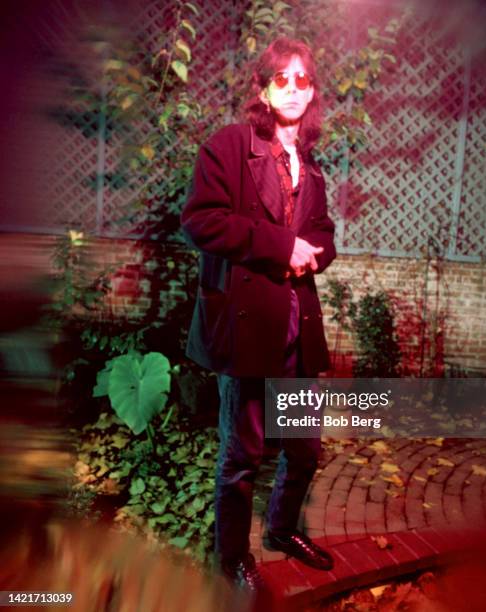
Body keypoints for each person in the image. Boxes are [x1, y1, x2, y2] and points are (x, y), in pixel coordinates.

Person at [181, 37, 336, 593]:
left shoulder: (311, 165)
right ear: (264, 88)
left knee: (304, 447)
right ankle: (230, 559)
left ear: (312, 91)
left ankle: (281, 530)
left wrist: (312, 249)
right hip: (248, 325)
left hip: (297, 324)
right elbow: (201, 220)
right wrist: (279, 247)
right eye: (281, 78)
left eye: (302, 79)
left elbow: (323, 233)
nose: (292, 89)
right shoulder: (230, 145)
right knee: (242, 455)